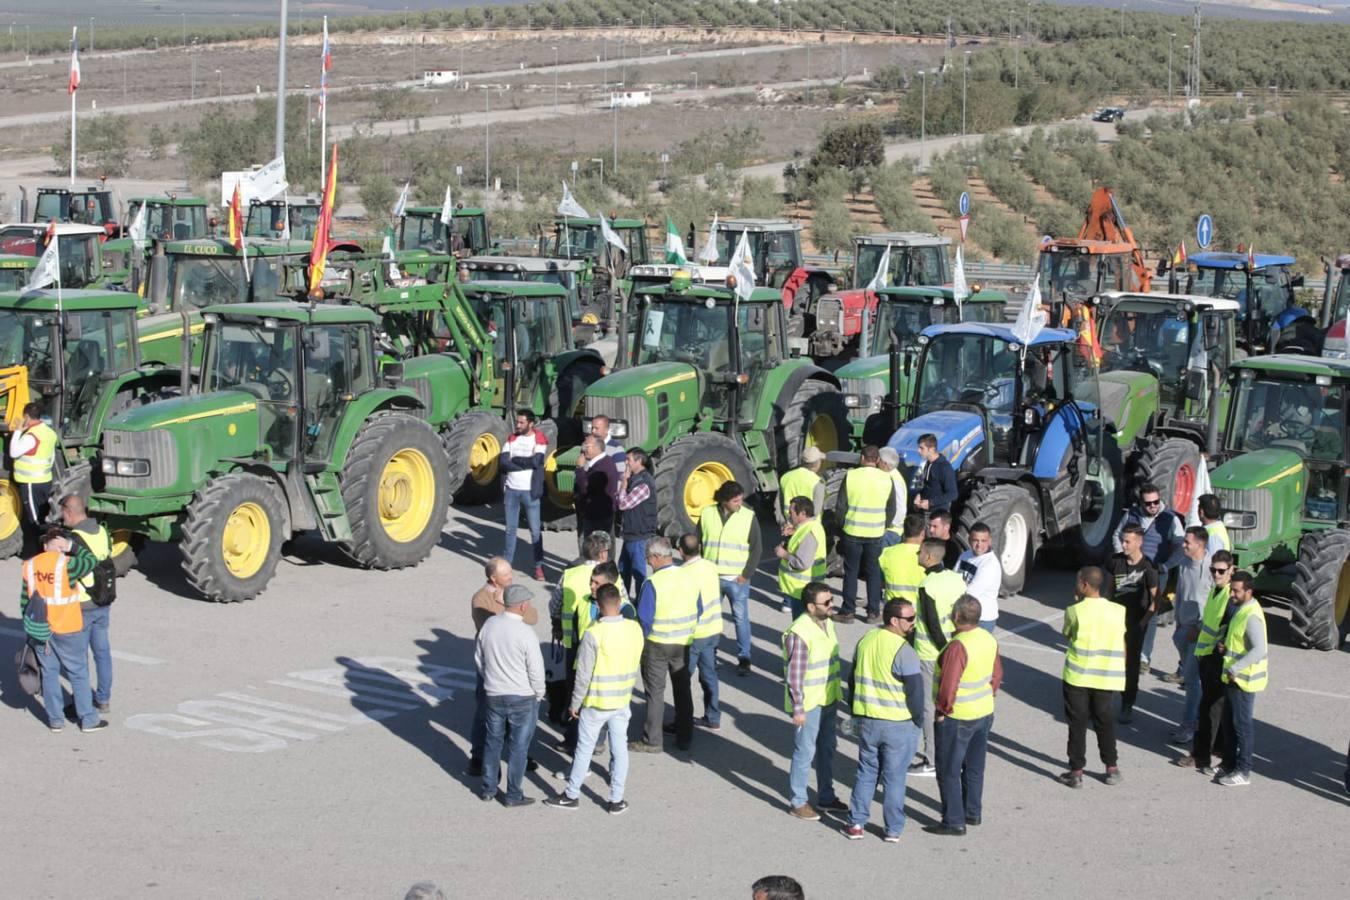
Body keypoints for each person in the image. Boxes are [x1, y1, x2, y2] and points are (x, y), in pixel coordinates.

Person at [544, 584, 644, 814]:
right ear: (619, 603)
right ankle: (616, 799)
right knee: (619, 750)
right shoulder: (634, 629)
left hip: (596, 702)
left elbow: (583, 674)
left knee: (584, 749)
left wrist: (574, 704)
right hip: (622, 699)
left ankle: (571, 794)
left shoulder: (594, 633)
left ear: (598, 606)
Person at [843, 598, 925, 841]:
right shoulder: (905, 652)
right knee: (894, 778)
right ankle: (892, 828)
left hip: (868, 719)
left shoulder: (866, 640)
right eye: (909, 619)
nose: (913, 623)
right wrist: (918, 721)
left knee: (866, 772)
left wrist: (854, 712)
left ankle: (856, 823)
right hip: (897, 724)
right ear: (894, 621)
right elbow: (916, 694)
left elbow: (852, 679)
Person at [924, 595, 1001, 836]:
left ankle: (953, 820)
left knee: (948, 769)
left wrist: (941, 711)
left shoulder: (957, 646)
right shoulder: (987, 638)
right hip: (984, 711)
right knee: (974, 766)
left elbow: (949, 685)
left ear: (957, 617)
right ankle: (971, 811)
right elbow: (996, 674)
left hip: (958, 717)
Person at [21, 527, 105, 733]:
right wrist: (73, 547)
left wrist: (32, 630)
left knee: (49, 673)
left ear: (44, 546)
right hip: (68, 627)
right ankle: (88, 719)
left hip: (41, 631)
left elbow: (25, 602)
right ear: (62, 547)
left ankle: (55, 720)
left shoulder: (29, 566)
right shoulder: (67, 564)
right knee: (78, 673)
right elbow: (92, 560)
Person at [476, 584, 545, 806]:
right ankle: (513, 794)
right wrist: (539, 692)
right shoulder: (526, 633)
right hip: (523, 697)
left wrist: (489, 679)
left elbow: (479, 658)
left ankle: (488, 788)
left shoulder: (490, 625)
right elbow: (535, 668)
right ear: (523, 605)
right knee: (518, 748)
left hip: (494, 694)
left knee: (492, 742)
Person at [783, 581, 846, 821]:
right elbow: (794, 675)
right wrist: (798, 708)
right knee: (804, 751)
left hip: (828, 697)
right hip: (809, 704)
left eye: (831, 600)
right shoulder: (799, 633)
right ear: (810, 606)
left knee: (827, 749)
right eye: (826, 602)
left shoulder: (826, 623)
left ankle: (826, 796)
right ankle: (798, 801)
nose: (832, 605)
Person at [469, 557, 537, 775]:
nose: (511, 577)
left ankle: (519, 755)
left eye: (510, 573)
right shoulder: (480, 599)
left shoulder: (512, 592)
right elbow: (491, 628)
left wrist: (510, 603)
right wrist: (505, 605)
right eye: (506, 575)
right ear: (493, 578)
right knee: (484, 713)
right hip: (494, 665)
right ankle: (478, 757)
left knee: (517, 715)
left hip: (515, 662)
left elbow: (533, 617)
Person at [1059, 567, 1125, 789]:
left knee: (1077, 723)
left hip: (1078, 675)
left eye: (1078, 582)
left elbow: (1067, 633)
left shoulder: (1075, 610)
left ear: (1085, 585)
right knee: (1104, 721)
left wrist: (1077, 603)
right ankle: (1111, 767)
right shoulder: (1118, 610)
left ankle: (1076, 771)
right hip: (1106, 676)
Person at [632, 537, 697, 753]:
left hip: (657, 644)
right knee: (683, 689)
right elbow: (700, 607)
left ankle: (653, 740)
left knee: (655, 692)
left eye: (649, 558)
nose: (648, 563)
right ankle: (685, 737)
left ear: (658, 556)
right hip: (683, 642)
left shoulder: (653, 583)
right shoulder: (688, 576)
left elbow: (644, 618)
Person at [1173, 550, 1233, 774]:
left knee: (1209, 710)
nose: (1216, 574)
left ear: (1231, 570)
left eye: (1221, 571)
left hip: (1217, 661)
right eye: (1213, 570)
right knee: (1213, 709)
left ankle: (1201, 755)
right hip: (1206, 658)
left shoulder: (1228, 596)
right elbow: (1208, 624)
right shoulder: (1216, 592)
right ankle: (1216, 750)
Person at [1113, 482, 1184, 666]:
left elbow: (1180, 547)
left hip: (1157, 572)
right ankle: (1125, 651)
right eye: (1148, 503)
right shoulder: (1132, 514)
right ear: (1141, 503)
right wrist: (1121, 558)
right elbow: (1117, 536)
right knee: (1126, 610)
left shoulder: (1170, 519)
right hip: (1131, 571)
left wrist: (1166, 566)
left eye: (1156, 502)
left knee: (1150, 613)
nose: (1153, 506)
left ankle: (1144, 658)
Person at [911, 538, 965, 777]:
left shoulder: (927, 585)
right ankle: (955, 754)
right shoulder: (956, 579)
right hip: (956, 647)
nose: (918, 555)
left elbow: (932, 624)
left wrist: (944, 651)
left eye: (920, 552)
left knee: (929, 708)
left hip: (930, 654)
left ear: (930, 557)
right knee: (952, 704)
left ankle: (932, 759)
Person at [700, 481, 760, 677]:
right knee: (710, 619)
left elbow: (756, 548)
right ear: (724, 501)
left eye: (740, 499)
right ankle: (711, 654)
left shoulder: (748, 516)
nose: (739, 503)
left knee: (740, 619)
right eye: (735, 501)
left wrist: (746, 575)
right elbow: (698, 540)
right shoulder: (707, 513)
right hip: (711, 577)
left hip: (736, 579)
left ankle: (744, 658)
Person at [60, 494, 112, 714]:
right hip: (104, 600)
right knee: (102, 652)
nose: (61, 517)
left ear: (69, 511)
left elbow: (68, 571)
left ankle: (81, 705)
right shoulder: (102, 531)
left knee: (78, 659)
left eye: (62, 512)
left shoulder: (74, 539)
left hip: (82, 605)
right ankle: (103, 698)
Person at [1104, 523, 1159, 724]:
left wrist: (1143, 623)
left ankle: (1128, 703)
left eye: (1128, 541)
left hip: (1135, 622)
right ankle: (1104, 702)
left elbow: (1156, 600)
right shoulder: (1114, 561)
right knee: (1110, 661)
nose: (1124, 545)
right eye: (1122, 541)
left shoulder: (1148, 567)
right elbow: (1108, 591)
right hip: (1115, 622)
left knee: (1131, 664)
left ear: (1139, 542)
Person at [1216, 571, 1267, 786]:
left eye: (1236, 590)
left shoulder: (1251, 615)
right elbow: (1239, 641)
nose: (1232, 594)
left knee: (1242, 726)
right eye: (1231, 589)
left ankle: (1243, 771)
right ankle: (1228, 764)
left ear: (1249, 591)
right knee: (1228, 723)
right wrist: (1225, 646)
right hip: (1233, 678)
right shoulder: (1241, 609)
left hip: (1243, 680)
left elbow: (1259, 650)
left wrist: (1235, 668)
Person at [835, 446, 896, 624]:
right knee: (873, 572)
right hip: (875, 533)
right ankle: (873, 612)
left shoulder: (851, 476)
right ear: (877, 460)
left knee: (851, 572)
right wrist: (883, 526)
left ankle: (847, 611)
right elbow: (891, 508)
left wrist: (841, 527)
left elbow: (840, 506)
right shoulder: (886, 479)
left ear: (862, 458)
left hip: (852, 531)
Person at [1165, 528, 1212, 746]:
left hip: (1199, 634)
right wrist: (1178, 624)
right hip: (1183, 629)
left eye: (1187, 543)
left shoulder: (1211, 568)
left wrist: (1199, 627)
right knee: (1193, 682)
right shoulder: (1185, 563)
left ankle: (1189, 726)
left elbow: (1213, 604)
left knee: (1193, 681)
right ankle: (1195, 721)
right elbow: (1183, 593)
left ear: (1200, 545)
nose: (1183, 546)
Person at [680, 533, 723, 730]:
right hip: (713, 629)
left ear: (680, 551)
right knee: (709, 674)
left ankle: (683, 720)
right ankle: (713, 716)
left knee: (682, 679)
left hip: (695, 634)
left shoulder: (684, 573)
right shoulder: (710, 566)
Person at [500, 411, 548, 581]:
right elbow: (503, 462)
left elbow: (537, 462)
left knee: (535, 531)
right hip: (511, 491)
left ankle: (538, 567)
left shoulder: (539, 438)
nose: (517, 425)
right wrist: (524, 462)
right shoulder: (512, 438)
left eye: (521, 422)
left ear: (531, 423)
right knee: (510, 530)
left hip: (530, 492)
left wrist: (517, 460)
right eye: (517, 422)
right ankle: (506, 566)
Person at [9, 401, 57, 556]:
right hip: (45, 480)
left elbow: (14, 452)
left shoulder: (31, 436)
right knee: (44, 516)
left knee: (34, 520)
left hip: (31, 483)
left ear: (27, 417)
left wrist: (17, 431)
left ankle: (38, 553)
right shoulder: (49, 433)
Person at [615, 448, 659, 599]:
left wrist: (624, 483)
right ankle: (624, 601)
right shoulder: (635, 480)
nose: (626, 463)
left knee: (639, 573)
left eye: (628, 460)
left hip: (639, 536)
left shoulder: (643, 484)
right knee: (623, 571)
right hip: (630, 535)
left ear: (639, 461)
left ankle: (642, 604)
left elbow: (623, 504)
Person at [775, 497, 826, 619]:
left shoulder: (809, 532)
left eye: (791, 512)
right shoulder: (808, 527)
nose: (789, 514)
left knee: (801, 627)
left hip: (803, 591)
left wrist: (784, 554)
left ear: (803, 513)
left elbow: (802, 563)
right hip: (803, 590)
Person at [574, 435, 620, 553]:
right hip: (599, 514)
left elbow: (585, 488)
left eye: (586, 446)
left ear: (596, 447)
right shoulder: (605, 461)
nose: (583, 449)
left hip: (597, 516)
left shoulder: (602, 467)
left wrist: (579, 468)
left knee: (595, 550)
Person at [956, 523, 1002, 632]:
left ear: (989, 541)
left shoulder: (990, 564)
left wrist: (960, 585)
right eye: (975, 540)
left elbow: (971, 593)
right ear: (969, 539)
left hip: (982, 619)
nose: (979, 545)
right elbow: (953, 579)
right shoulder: (965, 555)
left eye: (983, 541)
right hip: (965, 615)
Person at [879, 513, 926, 604]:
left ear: (904, 532)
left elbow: (879, 582)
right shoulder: (928, 557)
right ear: (923, 533)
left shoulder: (887, 552)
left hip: (892, 606)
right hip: (918, 608)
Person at [910, 433, 957, 513]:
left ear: (931, 449)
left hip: (938, 514)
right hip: (925, 511)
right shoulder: (927, 464)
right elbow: (928, 486)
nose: (918, 451)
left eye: (921, 448)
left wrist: (930, 502)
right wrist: (919, 495)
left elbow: (953, 494)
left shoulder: (944, 467)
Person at [778, 446, 826, 524]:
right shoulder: (817, 482)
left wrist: (783, 524)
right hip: (809, 528)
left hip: (789, 525)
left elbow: (778, 506)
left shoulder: (785, 477)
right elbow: (816, 511)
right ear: (817, 464)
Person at [877, 447, 909, 547]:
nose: (876, 462)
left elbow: (900, 508)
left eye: (878, 460)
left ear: (885, 463)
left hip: (890, 532)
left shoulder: (894, 479)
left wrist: (889, 525)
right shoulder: (891, 476)